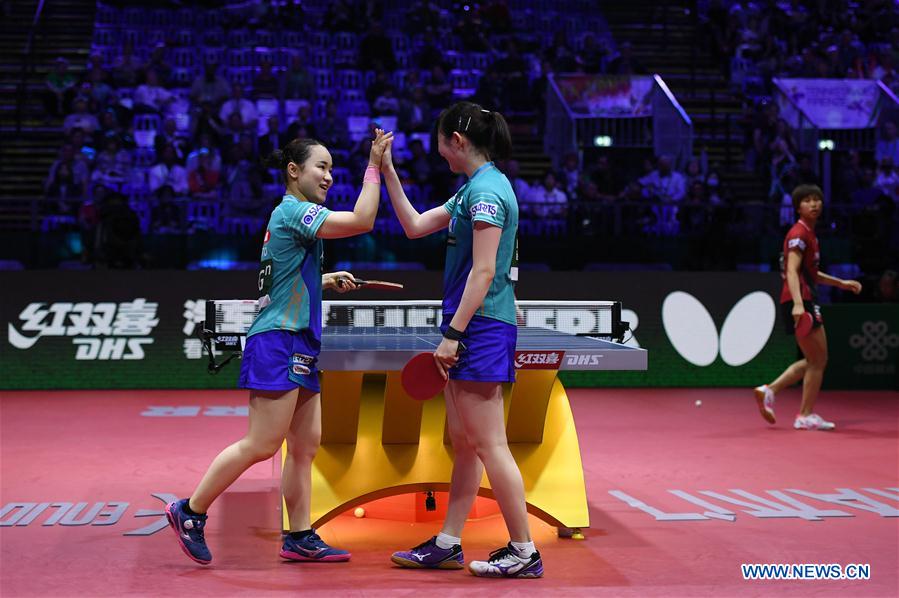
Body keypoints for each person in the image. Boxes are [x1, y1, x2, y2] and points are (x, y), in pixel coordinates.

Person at [164, 130, 393, 566]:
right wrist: (374, 165)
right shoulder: (294, 211)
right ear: (293, 171)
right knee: (262, 443)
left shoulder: (296, 218)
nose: (328, 176)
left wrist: (323, 280)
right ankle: (189, 510)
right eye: (320, 167)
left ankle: (300, 535)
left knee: (306, 445)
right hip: (278, 341)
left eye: (331, 169)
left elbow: (281, 278)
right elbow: (363, 220)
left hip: (300, 341)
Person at [380, 101, 542, 579]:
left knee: (490, 443)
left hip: (480, 326)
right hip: (469, 322)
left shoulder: (488, 192)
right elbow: (412, 226)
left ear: (457, 140)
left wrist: (453, 334)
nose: (438, 150)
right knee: (465, 441)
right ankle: (448, 542)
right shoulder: (471, 190)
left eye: (440, 140)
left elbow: (486, 269)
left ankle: (524, 549)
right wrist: (387, 170)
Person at [753, 184, 862, 431]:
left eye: (817, 200)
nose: (814, 204)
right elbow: (791, 269)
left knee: (814, 359)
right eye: (807, 201)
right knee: (819, 360)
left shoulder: (810, 234)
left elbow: (811, 273)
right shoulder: (799, 234)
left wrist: (841, 283)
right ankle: (804, 415)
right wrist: (799, 304)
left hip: (801, 298)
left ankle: (769, 391)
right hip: (800, 300)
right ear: (798, 207)